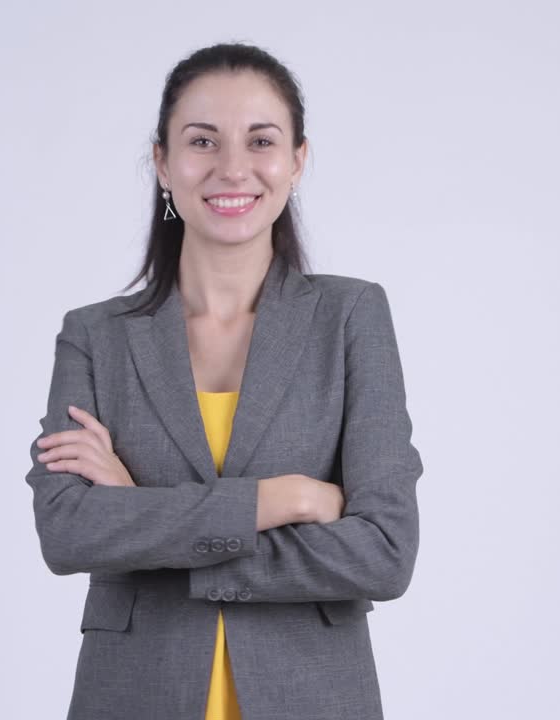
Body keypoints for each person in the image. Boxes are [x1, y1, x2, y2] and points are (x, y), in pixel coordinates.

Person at [25, 42, 424, 720]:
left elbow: (383, 554)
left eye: (260, 140)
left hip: (311, 696)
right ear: (161, 162)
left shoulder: (351, 316)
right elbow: (69, 533)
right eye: (202, 141)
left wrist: (142, 513)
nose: (232, 168)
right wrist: (285, 497)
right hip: (134, 694)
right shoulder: (95, 335)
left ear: (297, 160)